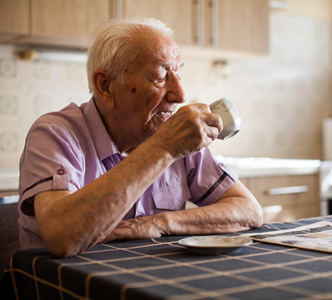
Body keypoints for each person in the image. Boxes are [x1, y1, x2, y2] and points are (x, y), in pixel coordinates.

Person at [18, 17, 263, 257]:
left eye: (179, 75)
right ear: (106, 86)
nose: (180, 95)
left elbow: (249, 210)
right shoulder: (55, 133)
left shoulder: (176, 138)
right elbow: (62, 237)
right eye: (160, 76)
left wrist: (159, 223)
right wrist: (164, 149)